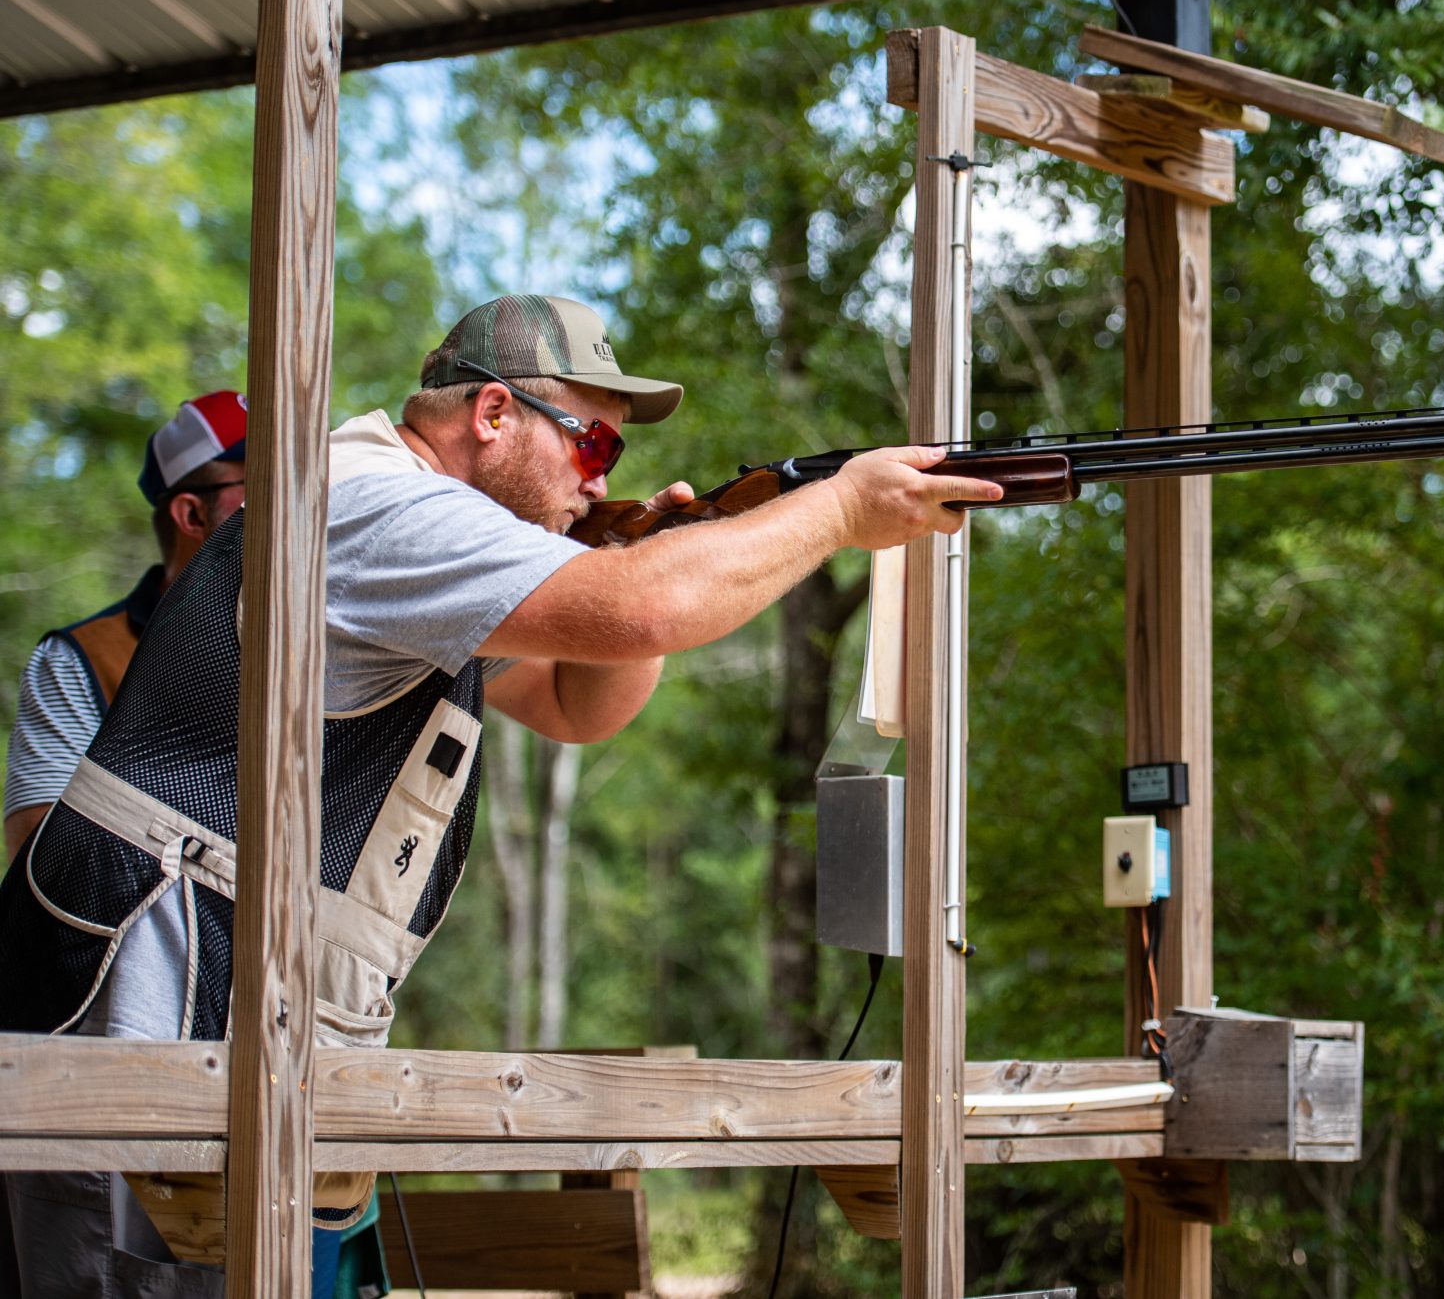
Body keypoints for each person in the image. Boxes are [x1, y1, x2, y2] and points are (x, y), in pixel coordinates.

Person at [0, 294, 994, 1295]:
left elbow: (577, 700)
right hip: (159, 1005)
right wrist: (831, 511)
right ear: (490, 416)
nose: (599, 473)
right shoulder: (379, 502)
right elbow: (641, 611)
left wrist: (617, 550)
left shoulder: (400, 515)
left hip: (224, 1015)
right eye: (592, 440)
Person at [2, 391, 248, 857]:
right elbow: (38, 861)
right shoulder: (80, 659)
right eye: (265, 482)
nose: (298, 500)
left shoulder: (335, 638)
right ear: (192, 514)